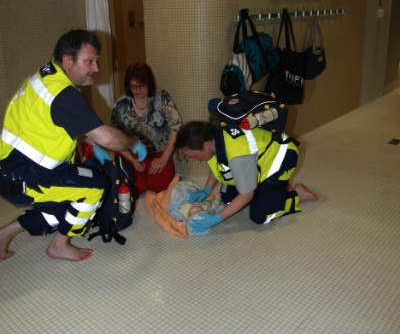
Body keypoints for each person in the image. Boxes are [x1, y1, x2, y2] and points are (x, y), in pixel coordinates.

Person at [0, 29, 147, 262]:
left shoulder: (48, 76)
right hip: (26, 178)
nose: (96, 68)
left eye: (96, 61)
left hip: (13, 171)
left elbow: (65, 123)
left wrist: (93, 145)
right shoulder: (63, 95)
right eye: (89, 61)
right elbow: (108, 138)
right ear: (68, 60)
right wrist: (134, 142)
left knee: (69, 201)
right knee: (95, 186)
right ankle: (59, 245)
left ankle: (4, 234)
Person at [174, 118, 318, 234]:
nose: (194, 160)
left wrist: (216, 219)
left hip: (279, 157)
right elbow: (217, 166)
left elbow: (246, 195)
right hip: (255, 159)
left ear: (205, 145)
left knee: (260, 216)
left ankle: (296, 194)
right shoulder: (213, 137)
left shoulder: (238, 156)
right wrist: (206, 189)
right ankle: (274, 189)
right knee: (227, 199)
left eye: (194, 156)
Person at [111, 62, 183, 196]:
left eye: (142, 85)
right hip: (131, 152)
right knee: (136, 188)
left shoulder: (161, 97)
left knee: (160, 187)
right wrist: (132, 160)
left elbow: (176, 127)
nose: (138, 90)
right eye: (134, 86)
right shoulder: (121, 104)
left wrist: (164, 158)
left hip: (158, 151)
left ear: (149, 83)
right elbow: (115, 137)